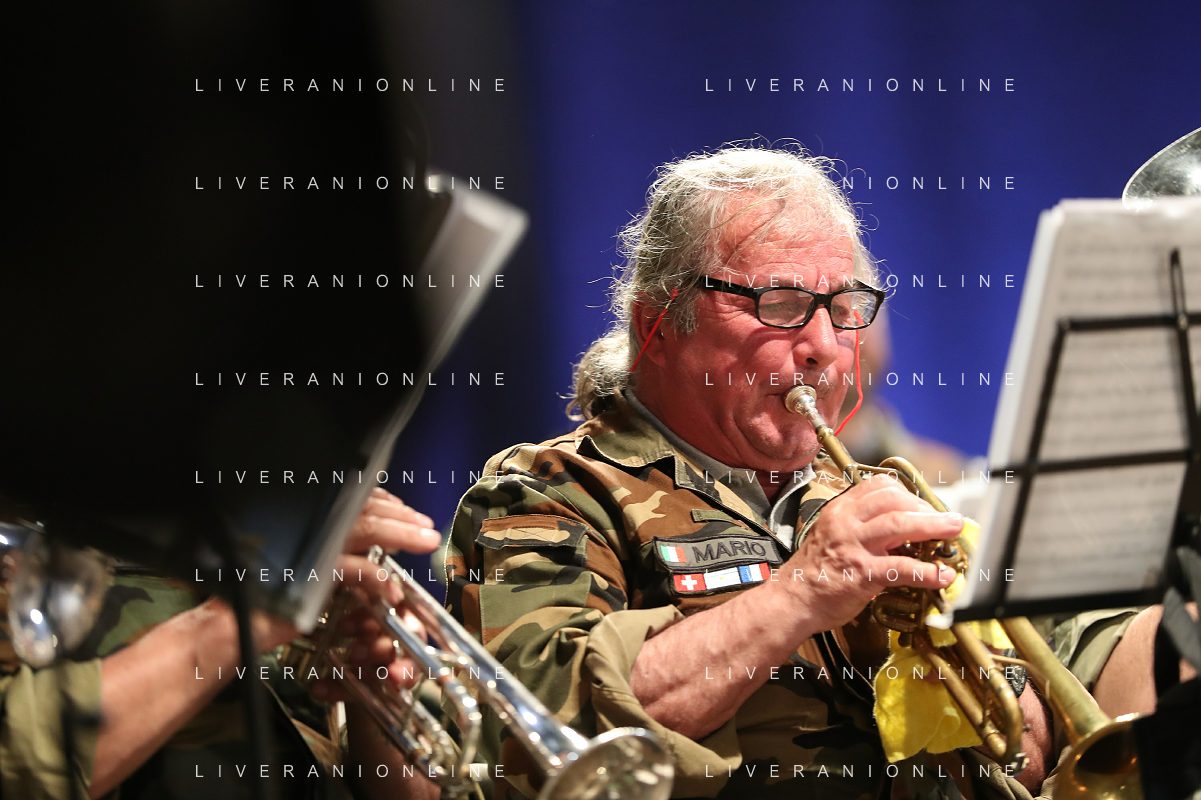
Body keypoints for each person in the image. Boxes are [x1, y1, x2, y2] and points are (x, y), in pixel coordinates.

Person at [444, 146, 1157, 800]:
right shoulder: (545, 495)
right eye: (779, 305)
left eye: (844, 309)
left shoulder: (874, 497)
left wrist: (982, 680)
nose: (824, 346)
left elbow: (1035, 751)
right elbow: (543, 740)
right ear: (657, 326)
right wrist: (804, 590)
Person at [0, 488, 441, 800]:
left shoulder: (253, 528)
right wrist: (242, 620)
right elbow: (17, 762)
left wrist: (378, 702)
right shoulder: (17, 547)